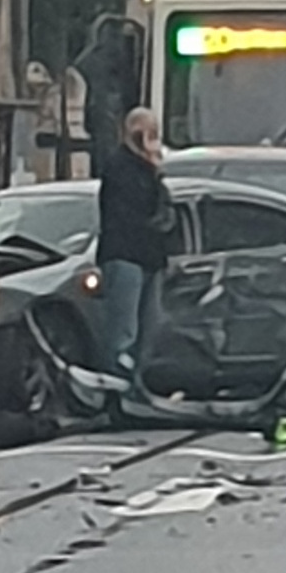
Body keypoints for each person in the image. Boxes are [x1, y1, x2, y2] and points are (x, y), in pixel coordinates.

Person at [97, 107, 172, 378]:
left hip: (150, 256)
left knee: (149, 328)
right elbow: (130, 211)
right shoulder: (120, 166)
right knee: (124, 330)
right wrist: (148, 165)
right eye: (145, 132)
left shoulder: (151, 170)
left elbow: (162, 208)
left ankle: (138, 381)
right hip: (125, 256)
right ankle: (117, 383)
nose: (151, 138)